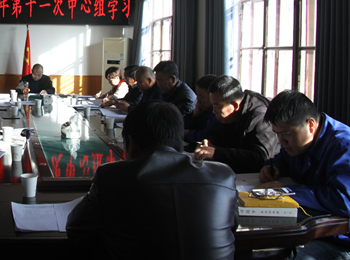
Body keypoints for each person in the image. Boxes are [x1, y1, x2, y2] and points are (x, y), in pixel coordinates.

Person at [66, 100, 238, 259]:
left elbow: (75, 229)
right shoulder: (223, 177)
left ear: (131, 144)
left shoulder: (111, 177)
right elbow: (231, 228)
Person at [259, 90, 350, 259]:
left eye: (286, 133)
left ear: (310, 125)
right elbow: (282, 159)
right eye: (276, 133)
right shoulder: (300, 143)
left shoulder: (343, 146)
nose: (281, 141)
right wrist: (273, 167)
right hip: (304, 226)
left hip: (338, 239)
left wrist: (287, 191)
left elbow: (344, 200)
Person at [194, 75, 279, 173]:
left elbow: (261, 158)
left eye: (217, 106)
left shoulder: (260, 117)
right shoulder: (229, 114)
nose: (213, 111)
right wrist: (209, 143)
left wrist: (216, 153)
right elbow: (220, 135)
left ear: (235, 105)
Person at [183, 74, 221, 146]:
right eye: (197, 95)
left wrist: (187, 133)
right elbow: (184, 126)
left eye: (201, 96)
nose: (198, 99)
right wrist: (193, 115)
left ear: (212, 96)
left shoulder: (217, 114)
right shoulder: (204, 111)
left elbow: (204, 136)